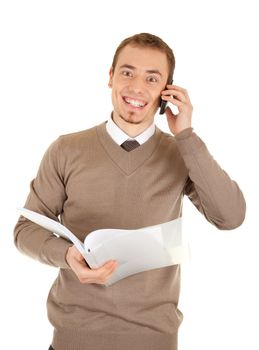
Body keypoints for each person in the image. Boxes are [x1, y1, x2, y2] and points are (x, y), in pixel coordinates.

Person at [14, 33, 246, 350]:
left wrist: (187, 135)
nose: (136, 88)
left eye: (152, 78)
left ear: (167, 91)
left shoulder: (182, 153)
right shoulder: (66, 149)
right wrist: (66, 256)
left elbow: (230, 217)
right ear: (110, 77)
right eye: (127, 72)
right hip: (74, 339)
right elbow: (26, 229)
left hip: (155, 340)